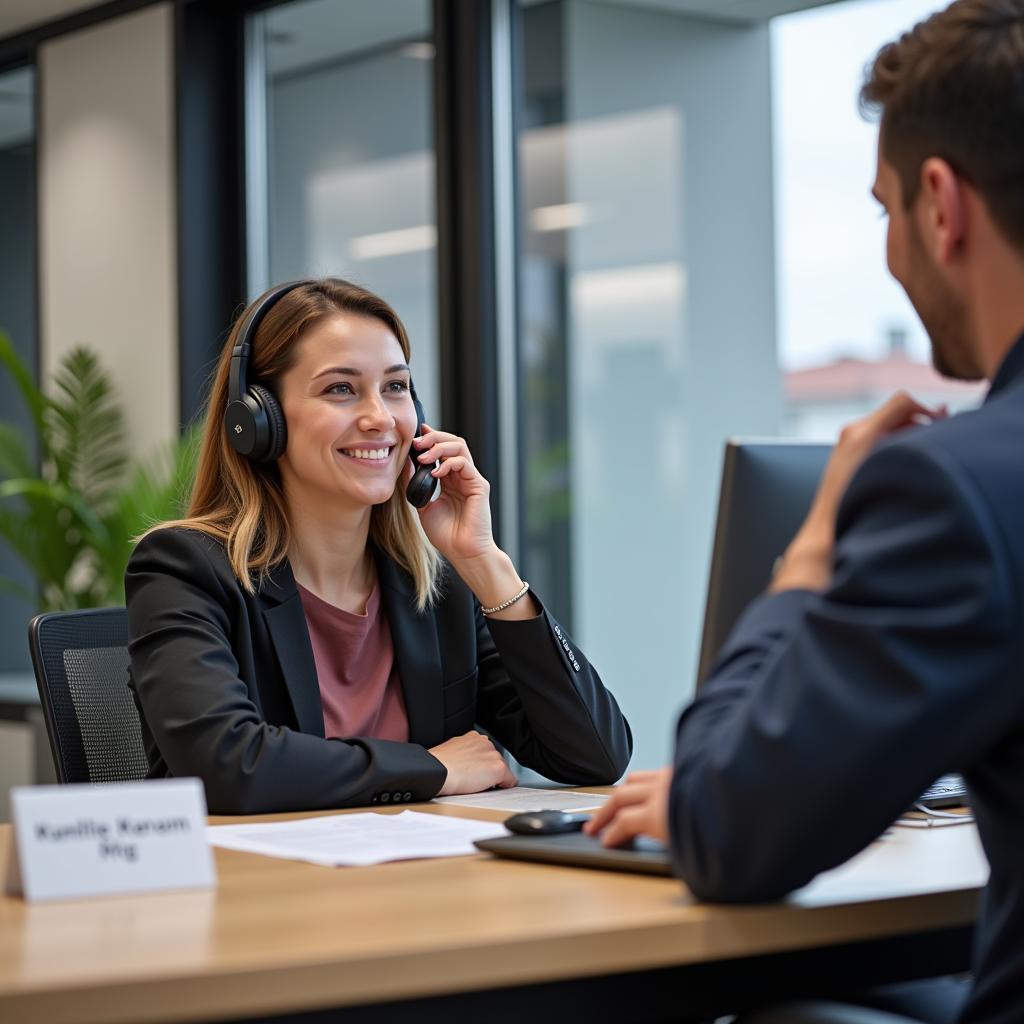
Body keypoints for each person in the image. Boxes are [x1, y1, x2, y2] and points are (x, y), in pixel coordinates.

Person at [587, 1, 1024, 1021]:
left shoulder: (958, 488)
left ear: (939, 203)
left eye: (882, 213)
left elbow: (729, 833)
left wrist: (812, 549)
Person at [126, 278, 631, 814]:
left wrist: (487, 566)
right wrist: (432, 769)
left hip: (411, 884)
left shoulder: (434, 588)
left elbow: (595, 755)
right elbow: (225, 764)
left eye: (395, 388)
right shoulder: (186, 570)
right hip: (259, 887)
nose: (380, 418)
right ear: (258, 420)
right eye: (340, 389)